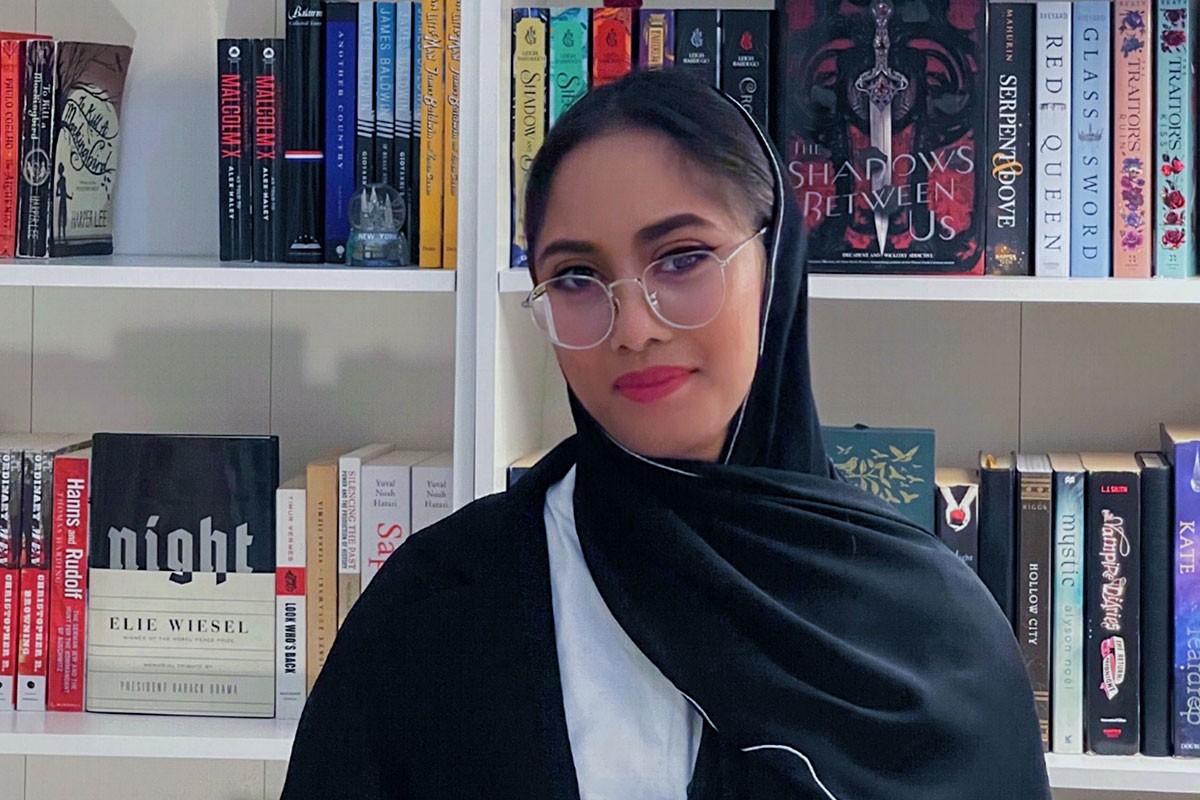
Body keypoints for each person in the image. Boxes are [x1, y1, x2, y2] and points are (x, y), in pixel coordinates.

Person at [280, 69, 1050, 799]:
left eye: (682, 259)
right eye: (576, 277)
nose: (635, 327)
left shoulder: (937, 639)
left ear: (775, 266)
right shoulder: (432, 610)